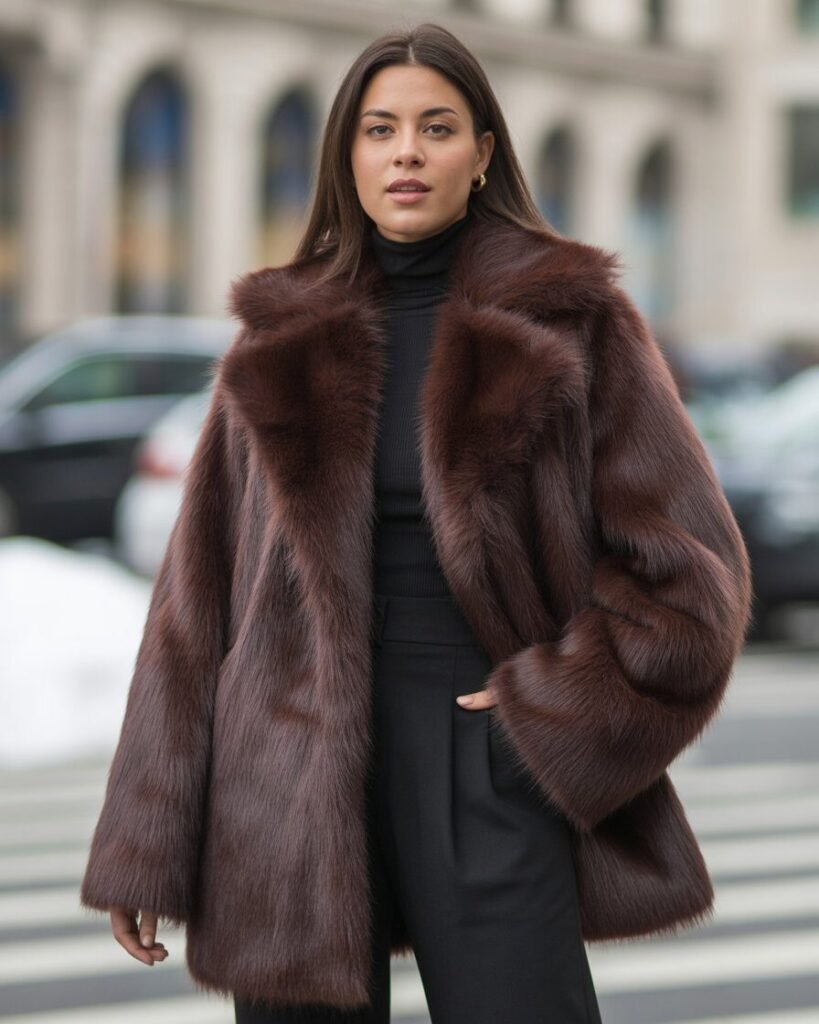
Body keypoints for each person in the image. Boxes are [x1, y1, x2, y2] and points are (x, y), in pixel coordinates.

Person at [80, 22, 753, 1024]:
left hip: (482, 751)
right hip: (285, 771)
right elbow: (193, 607)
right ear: (345, 154)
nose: (405, 152)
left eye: (437, 127)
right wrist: (146, 838)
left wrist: (553, 712)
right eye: (379, 129)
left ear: (483, 152)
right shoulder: (279, 335)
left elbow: (691, 582)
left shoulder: (572, 321)